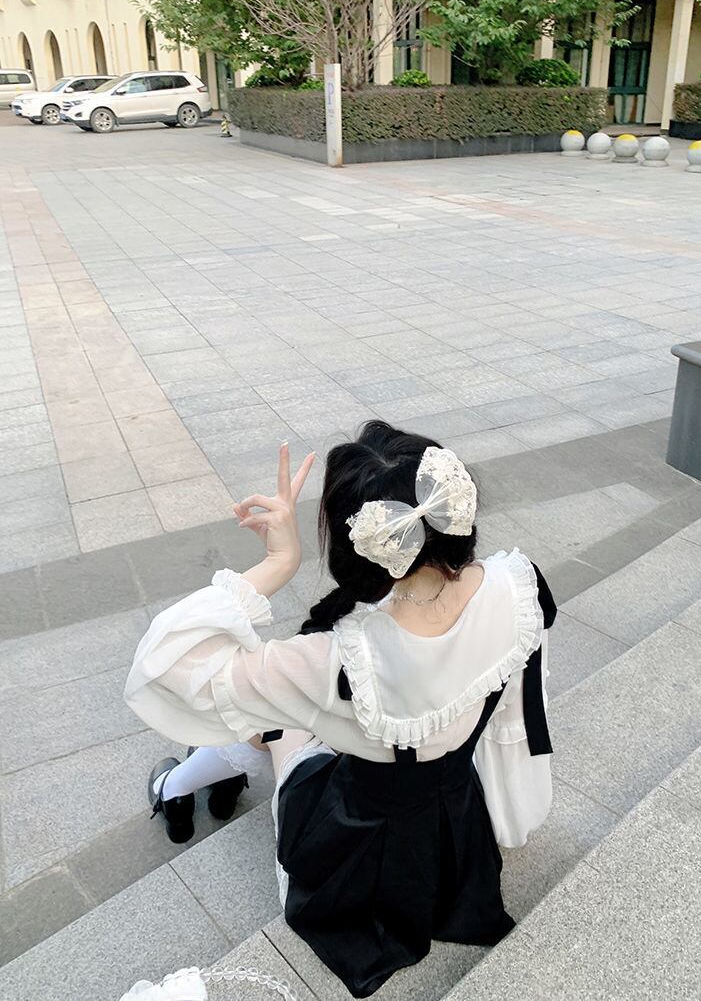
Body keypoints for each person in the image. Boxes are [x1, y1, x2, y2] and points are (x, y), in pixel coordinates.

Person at [125, 420, 556, 999]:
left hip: (354, 861)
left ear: (360, 545)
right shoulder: (520, 586)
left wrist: (278, 562)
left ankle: (176, 786)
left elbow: (168, 666)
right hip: (454, 833)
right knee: (276, 714)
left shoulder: (338, 663)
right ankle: (189, 783)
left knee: (269, 726)